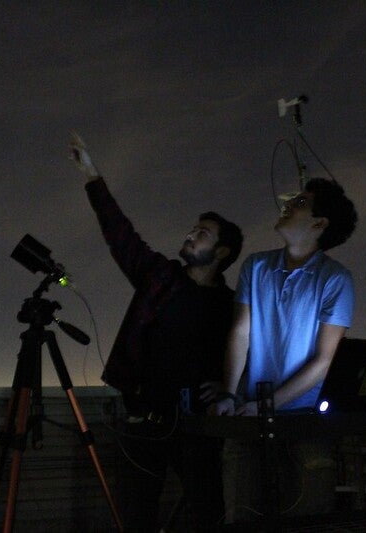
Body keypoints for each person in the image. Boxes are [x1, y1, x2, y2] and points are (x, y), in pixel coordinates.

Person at [69, 132, 243, 531]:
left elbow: (250, 353)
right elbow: (121, 236)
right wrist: (92, 176)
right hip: (143, 423)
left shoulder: (231, 306)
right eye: (192, 228)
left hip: (198, 429)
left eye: (202, 232)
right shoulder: (161, 277)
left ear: (222, 252)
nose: (190, 234)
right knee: (137, 518)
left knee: (208, 514)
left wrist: (229, 386)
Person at [211, 178, 358, 520]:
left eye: (301, 203)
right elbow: (240, 332)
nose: (288, 205)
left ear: (319, 224)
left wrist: (267, 405)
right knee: (241, 514)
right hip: (248, 413)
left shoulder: (335, 278)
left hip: (304, 420)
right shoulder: (255, 266)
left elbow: (323, 362)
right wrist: (228, 395)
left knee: (308, 516)